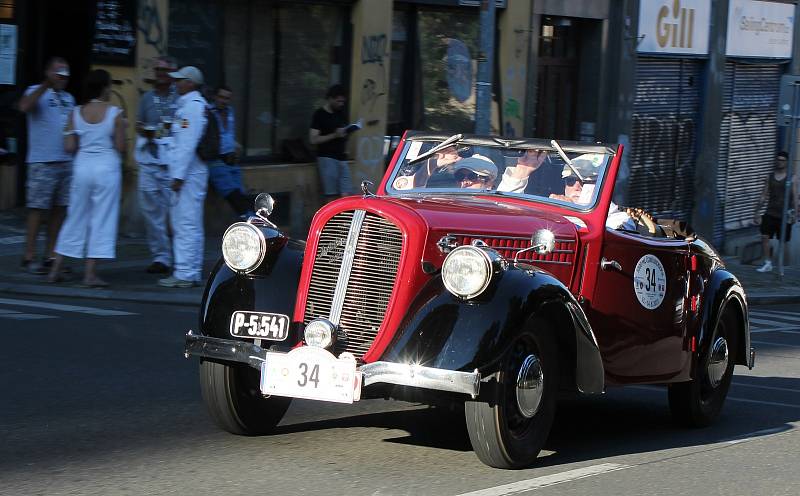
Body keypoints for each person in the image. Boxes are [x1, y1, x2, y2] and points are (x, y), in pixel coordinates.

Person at [46, 69, 127, 286]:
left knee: (75, 217)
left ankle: (55, 268)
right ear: (104, 87)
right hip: (107, 169)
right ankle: (90, 273)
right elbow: (120, 147)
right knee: (102, 218)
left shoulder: (76, 112)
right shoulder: (115, 113)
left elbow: (69, 146)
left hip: (82, 168)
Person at [17, 57, 76, 275]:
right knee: (37, 210)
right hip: (43, 161)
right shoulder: (35, 91)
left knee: (59, 211)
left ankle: (51, 255)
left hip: (65, 162)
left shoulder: (69, 98)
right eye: (57, 72)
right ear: (47, 72)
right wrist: (46, 85)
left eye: (65, 72)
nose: (62, 76)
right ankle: (28, 256)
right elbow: (23, 107)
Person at [158, 66, 209, 288]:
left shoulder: (192, 109)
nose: (176, 83)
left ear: (190, 83)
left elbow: (186, 146)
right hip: (190, 172)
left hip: (188, 174)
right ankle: (190, 270)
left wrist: (177, 176)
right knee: (189, 223)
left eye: (180, 80)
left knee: (185, 223)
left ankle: (185, 273)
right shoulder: (190, 107)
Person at [135, 56, 178, 275]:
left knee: (175, 211)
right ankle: (160, 257)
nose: (160, 73)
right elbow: (138, 124)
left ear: (172, 73)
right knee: (152, 212)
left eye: (164, 70)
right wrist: (144, 130)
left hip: (172, 163)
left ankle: (180, 256)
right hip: (151, 160)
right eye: (158, 70)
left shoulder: (179, 98)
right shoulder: (147, 98)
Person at [208, 84, 252, 218]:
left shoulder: (230, 111)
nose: (223, 100)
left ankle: (251, 222)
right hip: (216, 160)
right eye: (221, 97)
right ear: (215, 97)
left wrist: (236, 146)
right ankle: (253, 221)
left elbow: (227, 134)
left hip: (232, 160)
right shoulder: (208, 112)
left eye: (227, 98)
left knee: (240, 192)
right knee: (231, 192)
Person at [754, 151, 798, 273]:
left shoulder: (792, 178)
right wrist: (757, 212)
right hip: (770, 212)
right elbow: (763, 195)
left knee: (783, 241)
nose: (780, 162)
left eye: (782, 160)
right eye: (778, 159)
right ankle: (768, 263)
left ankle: (782, 266)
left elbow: (794, 196)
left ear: (787, 162)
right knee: (764, 236)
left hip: (785, 215)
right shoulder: (770, 177)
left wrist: (795, 213)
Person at [309, 84, 354, 203]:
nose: (341, 104)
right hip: (327, 158)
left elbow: (343, 132)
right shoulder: (320, 114)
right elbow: (313, 139)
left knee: (347, 193)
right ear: (330, 99)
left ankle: (346, 219)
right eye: (338, 101)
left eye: (343, 102)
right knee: (331, 195)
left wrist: (348, 132)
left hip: (342, 157)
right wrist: (334, 135)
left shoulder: (340, 113)